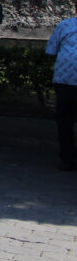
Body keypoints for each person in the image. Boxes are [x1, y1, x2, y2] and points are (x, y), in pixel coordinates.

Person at [46, 9, 77, 171]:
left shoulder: (65, 25)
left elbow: (51, 50)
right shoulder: (64, 25)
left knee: (65, 120)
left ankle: (67, 159)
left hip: (65, 79)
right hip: (65, 80)